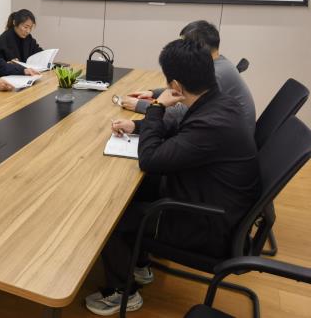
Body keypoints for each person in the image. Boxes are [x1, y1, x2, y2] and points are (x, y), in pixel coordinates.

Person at [86, 38, 259, 315]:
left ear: (176, 85)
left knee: (111, 216)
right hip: (211, 197)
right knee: (138, 191)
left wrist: (157, 106)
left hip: (206, 224)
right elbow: (182, 133)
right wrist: (138, 126)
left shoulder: (211, 122)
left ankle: (122, 293)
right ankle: (139, 265)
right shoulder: (219, 102)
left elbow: (150, 159)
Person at [120, 20, 256, 134]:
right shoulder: (218, 62)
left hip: (226, 139)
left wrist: (141, 105)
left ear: (197, 48)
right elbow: (187, 89)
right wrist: (153, 93)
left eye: (184, 44)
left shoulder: (216, 74)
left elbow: (181, 114)